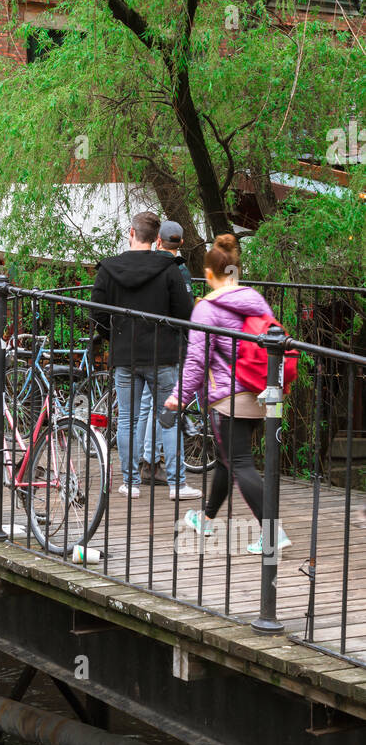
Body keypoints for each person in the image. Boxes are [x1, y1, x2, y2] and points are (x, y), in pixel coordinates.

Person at [163, 233, 291, 554]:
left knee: (240, 463)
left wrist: (179, 395)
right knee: (227, 459)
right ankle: (206, 518)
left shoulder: (207, 309)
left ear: (209, 274)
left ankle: (272, 531)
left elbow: (196, 360)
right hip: (260, 391)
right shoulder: (255, 301)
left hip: (228, 397)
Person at [91, 210, 200, 499]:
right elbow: (185, 313)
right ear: (156, 239)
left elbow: (97, 313)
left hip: (124, 355)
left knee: (127, 419)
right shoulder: (170, 269)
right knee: (170, 417)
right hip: (162, 355)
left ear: (131, 233)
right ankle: (177, 486)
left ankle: (130, 483)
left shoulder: (109, 268)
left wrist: (113, 337)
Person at [136, 220, 195, 486]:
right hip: (169, 346)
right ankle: (155, 465)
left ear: (158, 240)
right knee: (162, 406)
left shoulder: (145, 263)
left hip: (143, 342)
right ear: (181, 243)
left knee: (146, 407)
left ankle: (144, 462)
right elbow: (185, 309)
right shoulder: (178, 270)